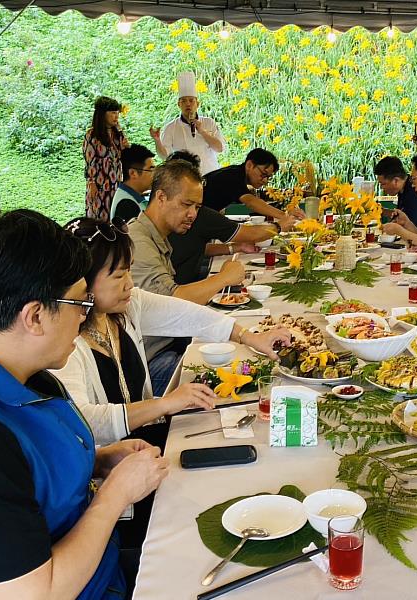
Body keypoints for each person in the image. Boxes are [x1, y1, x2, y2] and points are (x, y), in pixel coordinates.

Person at [0, 209, 167, 598]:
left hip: (103, 571)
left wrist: (97, 458)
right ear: (34, 316)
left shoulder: (23, 371)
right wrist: (116, 493)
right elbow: (34, 594)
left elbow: (26, 472)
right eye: (80, 305)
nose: (85, 319)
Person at [52, 217, 290, 556]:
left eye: (129, 272)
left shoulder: (123, 309)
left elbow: (187, 315)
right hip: (112, 483)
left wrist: (249, 336)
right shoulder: (65, 344)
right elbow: (83, 421)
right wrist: (164, 404)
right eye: (119, 276)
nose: (130, 285)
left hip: (151, 454)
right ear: (83, 285)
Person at [128, 159, 246, 395]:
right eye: (186, 204)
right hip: (152, 363)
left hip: (171, 343)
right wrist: (223, 278)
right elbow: (175, 302)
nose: (192, 214)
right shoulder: (137, 241)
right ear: (160, 197)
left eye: (197, 207)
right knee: (234, 376)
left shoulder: (157, 235)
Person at [165, 151, 281, 284]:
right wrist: (281, 222)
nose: (265, 181)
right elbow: (250, 208)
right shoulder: (201, 213)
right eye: (263, 174)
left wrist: (237, 247)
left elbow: (199, 247)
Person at [150, 71, 226, 176]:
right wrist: (157, 140)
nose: (188, 104)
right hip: (185, 178)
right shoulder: (171, 127)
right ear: (178, 104)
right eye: (184, 101)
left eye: (191, 100)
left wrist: (202, 131)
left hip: (211, 174)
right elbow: (164, 156)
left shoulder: (209, 123)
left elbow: (219, 148)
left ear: (197, 104)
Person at [202, 148, 303, 223]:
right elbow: (251, 202)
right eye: (263, 174)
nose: (265, 181)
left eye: (268, 177)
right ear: (249, 165)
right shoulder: (233, 176)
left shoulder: (235, 173)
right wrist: (284, 216)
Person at [84, 95, 129, 221]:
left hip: (115, 184)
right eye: (113, 113)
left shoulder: (117, 134)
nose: (116, 116)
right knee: (98, 218)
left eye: (117, 113)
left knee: (114, 216)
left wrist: (126, 147)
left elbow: (124, 158)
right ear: (103, 114)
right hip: (99, 184)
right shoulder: (92, 135)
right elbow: (90, 160)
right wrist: (92, 183)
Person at [374, 156, 417, 230]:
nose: (381, 188)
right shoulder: (403, 190)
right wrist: (381, 211)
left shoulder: (414, 192)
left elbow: (408, 226)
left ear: (395, 180)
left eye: (383, 184)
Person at [111, 143, 155, 221]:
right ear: (133, 173)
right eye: (151, 170)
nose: (155, 174)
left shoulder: (133, 197)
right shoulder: (127, 206)